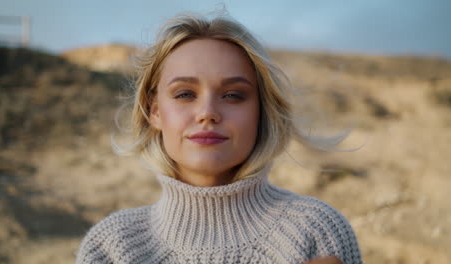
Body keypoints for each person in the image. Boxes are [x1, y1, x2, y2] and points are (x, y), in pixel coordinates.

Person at [75, 13, 363, 264]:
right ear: (155, 111)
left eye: (233, 95)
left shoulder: (317, 231)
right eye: (185, 94)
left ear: (261, 111)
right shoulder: (112, 247)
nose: (208, 113)